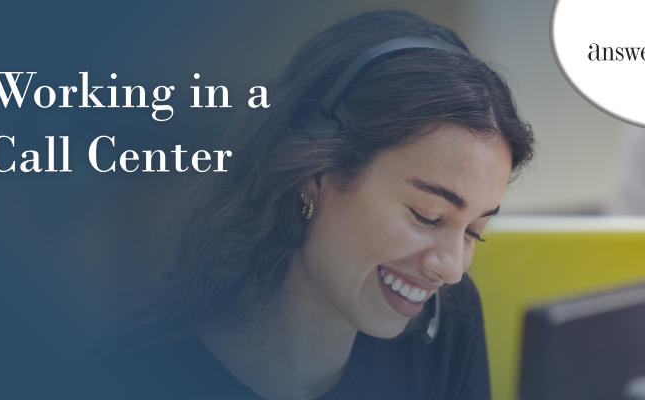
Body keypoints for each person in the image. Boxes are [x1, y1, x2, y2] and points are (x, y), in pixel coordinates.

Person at [88, 9, 535, 400]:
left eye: (474, 232)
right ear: (313, 172)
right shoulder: (132, 380)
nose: (451, 269)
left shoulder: (448, 322)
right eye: (427, 216)